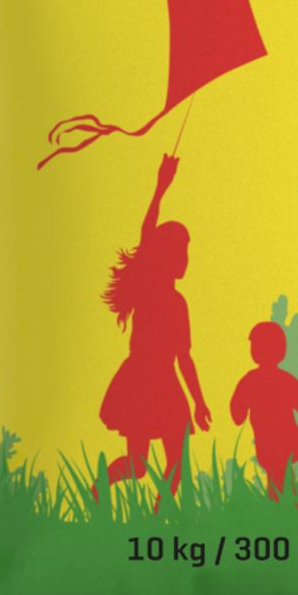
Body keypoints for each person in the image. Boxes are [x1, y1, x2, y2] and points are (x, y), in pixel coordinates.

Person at [97, 153, 211, 499]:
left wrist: (199, 402)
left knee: (173, 462)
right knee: (139, 465)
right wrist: (161, 187)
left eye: (187, 251)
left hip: (163, 380)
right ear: (164, 256)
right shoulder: (149, 288)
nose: (185, 259)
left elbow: (184, 357)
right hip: (143, 380)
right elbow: (147, 233)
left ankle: (159, 514)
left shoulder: (178, 302)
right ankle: (99, 488)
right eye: (180, 251)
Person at [230, 321, 298, 500]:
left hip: (280, 440)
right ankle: (296, 505)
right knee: (280, 479)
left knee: (279, 480)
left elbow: (237, 413)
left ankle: (293, 506)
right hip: (273, 440)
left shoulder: (255, 380)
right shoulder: (272, 380)